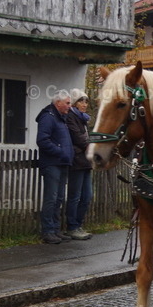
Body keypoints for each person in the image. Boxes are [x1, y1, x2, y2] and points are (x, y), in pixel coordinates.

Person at [36, 91, 74, 244]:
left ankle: (56, 229)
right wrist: (60, 152)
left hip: (62, 162)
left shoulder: (61, 119)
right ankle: (48, 231)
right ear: (58, 103)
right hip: (52, 163)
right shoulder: (48, 117)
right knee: (51, 198)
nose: (69, 107)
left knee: (59, 198)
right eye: (67, 103)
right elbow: (42, 140)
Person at [64, 89, 94, 240]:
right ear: (75, 104)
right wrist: (88, 143)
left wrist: (87, 143)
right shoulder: (71, 117)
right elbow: (78, 138)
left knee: (87, 196)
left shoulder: (83, 119)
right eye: (82, 101)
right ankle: (72, 227)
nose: (85, 104)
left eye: (86, 101)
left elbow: (85, 139)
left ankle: (78, 224)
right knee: (75, 196)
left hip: (86, 161)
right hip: (76, 162)